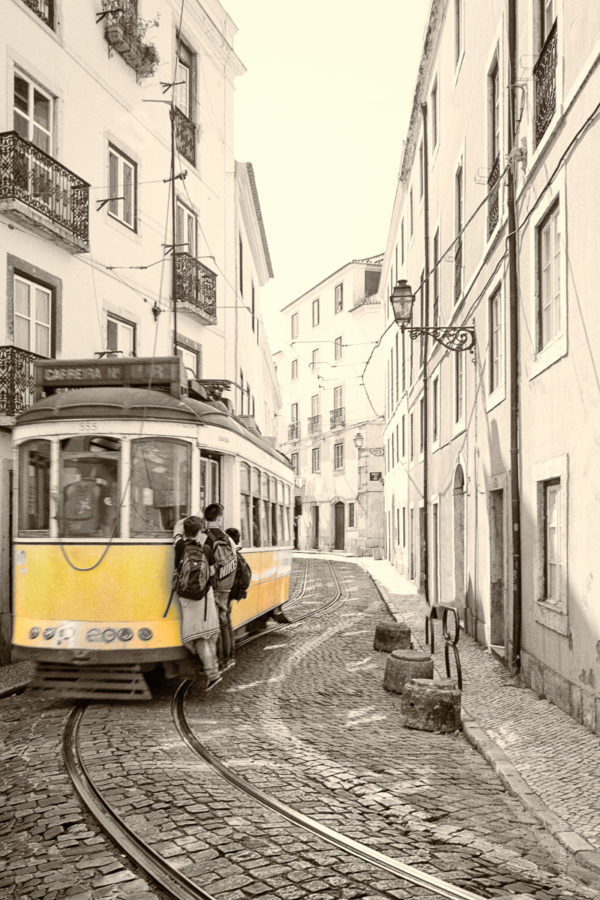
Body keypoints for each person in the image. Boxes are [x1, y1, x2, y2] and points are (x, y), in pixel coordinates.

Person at [173, 515, 221, 691]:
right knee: (208, 634)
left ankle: (212, 673)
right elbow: (213, 572)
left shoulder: (179, 545)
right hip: (205, 596)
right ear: (199, 532)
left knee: (197, 637)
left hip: (187, 596)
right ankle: (212, 672)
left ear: (185, 531)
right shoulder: (207, 549)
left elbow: (177, 536)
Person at [203, 503, 238, 671]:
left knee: (214, 624)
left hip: (214, 585)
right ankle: (229, 657)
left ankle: (219, 660)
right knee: (225, 621)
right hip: (226, 584)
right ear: (220, 518)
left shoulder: (204, 537)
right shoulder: (227, 538)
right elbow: (235, 560)